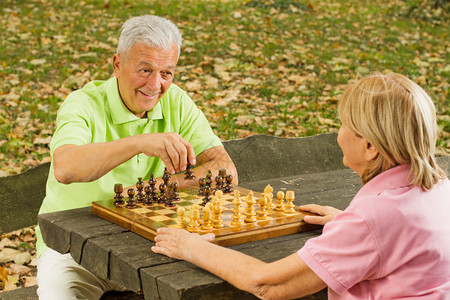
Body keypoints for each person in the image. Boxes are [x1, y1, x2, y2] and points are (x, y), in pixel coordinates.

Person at [152, 72, 450, 299]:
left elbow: (267, 283)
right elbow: (398, 239)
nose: (338, 131)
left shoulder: (372, 220)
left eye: (344, 123)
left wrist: (189, 246)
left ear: (370, 146)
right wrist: (347, 225)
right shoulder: (440, 190)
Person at [36, 15, 237, 299]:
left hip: (153, 245)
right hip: (74, 252)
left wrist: (157, 188)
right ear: (118, 64)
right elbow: (65, 168)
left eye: (166, 73)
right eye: (145, 70)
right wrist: (140, 143)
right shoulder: (83, 103)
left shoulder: (176, 101)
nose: (155, 85)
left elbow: (226, 172)